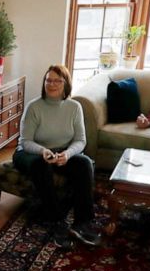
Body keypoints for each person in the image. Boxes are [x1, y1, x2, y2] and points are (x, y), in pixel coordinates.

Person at [13, 64, 99, 247]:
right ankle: (57, 220)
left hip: (60, 151)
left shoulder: (74, 107)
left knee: (84, 163)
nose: (51, 84)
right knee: (40, 165)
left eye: (57, 81)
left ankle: (82, 222)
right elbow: (25, 140)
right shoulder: (34, 107)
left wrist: (67, 154)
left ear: (66, 84)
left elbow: (80, 141)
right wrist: (42, 151)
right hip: (29, 152)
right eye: (48, 80)